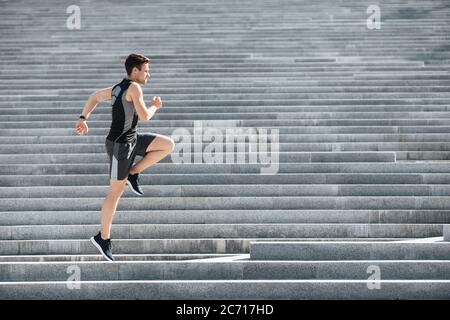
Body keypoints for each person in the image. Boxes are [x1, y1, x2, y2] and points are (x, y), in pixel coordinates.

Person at [74, 53, 175, 261]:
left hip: (131, 139)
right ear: (135, 71)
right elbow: (146, 116)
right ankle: (103, 238)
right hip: (120, 146)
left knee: (167, 145)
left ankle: (134, 172)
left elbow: (94, 96)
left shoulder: (117, 88)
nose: (149, 75)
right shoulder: (133, 87)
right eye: (146, 71)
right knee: (114, 193)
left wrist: (83, 118)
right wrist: (155, 105)